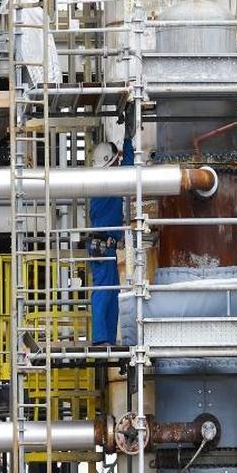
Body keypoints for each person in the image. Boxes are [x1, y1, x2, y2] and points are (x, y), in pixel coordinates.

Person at [87, 138, 134, 345]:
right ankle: (100, 338)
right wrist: (129, 142)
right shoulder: (106, 184)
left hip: (107, 248)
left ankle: (107, 338)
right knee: (104, 291)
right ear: (112, 162)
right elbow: (129, 171)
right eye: (116, 161)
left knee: (112, 293)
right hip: (102, 246)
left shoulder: (103, 183)